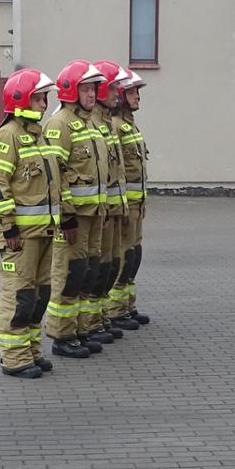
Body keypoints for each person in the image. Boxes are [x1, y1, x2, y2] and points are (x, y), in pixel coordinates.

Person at [0, 68, 64, 376]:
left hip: (43, 233)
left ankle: (31, 350)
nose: (45, 104)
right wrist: (9, 226)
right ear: (21, 100)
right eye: (40, 98)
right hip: (20, 236)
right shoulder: (9, 135)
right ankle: (14, 358)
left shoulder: (38, 133)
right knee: (18, 296)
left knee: (38, 295)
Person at [42, 61, 117, 353]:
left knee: (88, 271)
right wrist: (67, 216)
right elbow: (56, 173)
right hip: (75, 219)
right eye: (85, 89)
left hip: (94, 214)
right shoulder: (60, 124)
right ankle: (62, 336)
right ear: (71, 91)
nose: (91, 94)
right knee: (69, 273)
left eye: (93, 88)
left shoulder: (89, 124)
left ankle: (82, 328)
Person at [90, 60, 138, 337]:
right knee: (88, 271)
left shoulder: (109, 124)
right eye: (115, 87)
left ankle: (102, 318)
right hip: (92, 214)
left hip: (115, 209)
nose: (118, 93)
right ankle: (86, 325)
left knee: (117, 262)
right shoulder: (95, 125)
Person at [110, 66, 153, 326]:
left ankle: (127, 306)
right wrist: (123, 206)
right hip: (126, 207)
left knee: (133, 255)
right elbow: (116, 170)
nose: (138, 96)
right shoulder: (116, 126)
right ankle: (115, 311)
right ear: (121, 94)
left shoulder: (130, 125)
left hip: (137, 205)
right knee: (123, 255)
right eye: (133, 91)